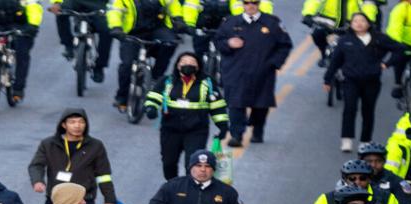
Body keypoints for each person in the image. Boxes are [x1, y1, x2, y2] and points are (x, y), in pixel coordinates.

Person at [213, 0, 290, 145]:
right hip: (236, 71)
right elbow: (218, 41)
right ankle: (236, 135)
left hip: (262, 72)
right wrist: (228, 43)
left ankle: (258, 131)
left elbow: (285, 45)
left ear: (259, 4)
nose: (250, 5)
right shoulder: (230, 22)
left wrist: (274, 64)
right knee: (236, 103)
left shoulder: (272, 22)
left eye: (254, 2)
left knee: (261, 104)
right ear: (243, 4)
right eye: (247, 2)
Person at [144, 51, 229, 180]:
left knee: (192, 164)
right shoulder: (167, 81)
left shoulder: (208, 84)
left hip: (196, 130)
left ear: (198, 66)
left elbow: (217, 105)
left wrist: (222, 126)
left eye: (192, 63)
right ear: (177, 65)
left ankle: (189, 191)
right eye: (183, 62)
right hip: (170, 129)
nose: (187, 65)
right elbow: (154, 96)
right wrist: (151, 108)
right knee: (168, 162)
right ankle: (172, 186)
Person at [27, 108, 120, 204]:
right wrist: (37, 181)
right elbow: (36, 165)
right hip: (56, 201)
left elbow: (104, 175)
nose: (77, 125)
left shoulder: (95, 146)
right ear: (64, 125)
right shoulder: (49, 144)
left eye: (81, 122)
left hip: (84, 202)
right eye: (72, 122)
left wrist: (110, 200)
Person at [321, 11, 394, 149]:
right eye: (355, 21)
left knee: (368, 110)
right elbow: (335, 61)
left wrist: (386, 63)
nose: (359, 24)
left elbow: (399, 49)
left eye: (362, 21)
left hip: (372, 81)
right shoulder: (345, 41)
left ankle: (365, 141)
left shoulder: (379, 38)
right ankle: (347, 139)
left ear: (368, 23)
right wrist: (327, 79)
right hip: (351, 81)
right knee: (350, 108)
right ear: (351, 24)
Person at [107, 0, 184, 114]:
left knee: (170, 43)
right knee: (127, 64)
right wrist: (116, 27)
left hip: (157, 30)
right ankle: (122, 96)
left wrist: (178, 19)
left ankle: (156, 77)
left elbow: (174, 5)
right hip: (131, 33)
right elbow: (114, 11)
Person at [52, 0, 113, 85]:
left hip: (99, 3)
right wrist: (56, 3)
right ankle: (68, 46)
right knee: (60, 13)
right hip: (75, 2)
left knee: (107, 31)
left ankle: (99, 66)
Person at [300, 0, 376, 57]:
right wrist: (308, 14)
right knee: (317, 33)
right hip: (329, 19)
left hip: (352, 21)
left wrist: (369, 20)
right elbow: (314, 1)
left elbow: (368, 4)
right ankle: (324, 54)